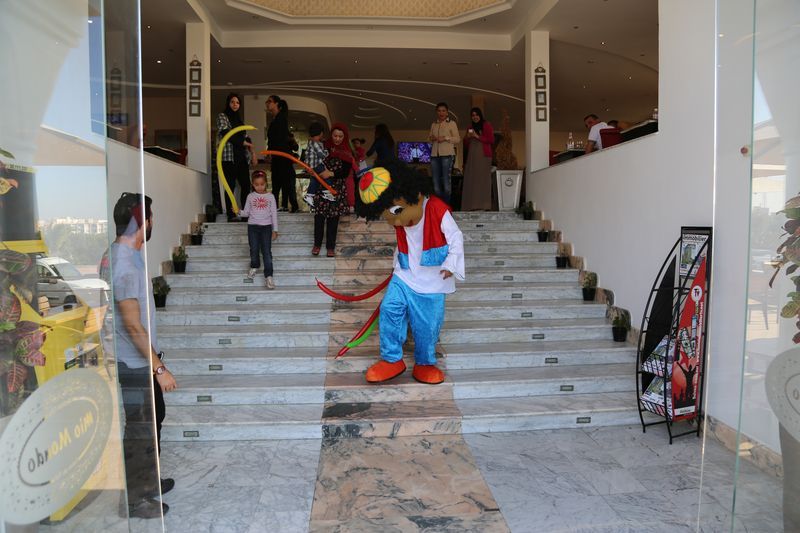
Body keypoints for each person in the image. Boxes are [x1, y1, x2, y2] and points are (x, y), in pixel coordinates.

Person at [355, 161, 465, 385]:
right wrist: (397, 265)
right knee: (390, 309)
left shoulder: (436, 208)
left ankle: (425, 363)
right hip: (405, 275)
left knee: (427, 325)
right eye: (388, 216)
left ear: (415, 194)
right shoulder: (400, 221)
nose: (396, 221)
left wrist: (451, 265)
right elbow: (404, 244)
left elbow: (456, 237)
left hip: (433, 280)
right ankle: (391, 359)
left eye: (397, 212)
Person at [106, 192, 178, 519]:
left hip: (141, 361)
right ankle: (134, 500)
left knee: (153, 420)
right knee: (139, 430)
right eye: (150, 217)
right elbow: (133, 326)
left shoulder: (129, 255)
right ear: (141, 222)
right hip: (133, 364)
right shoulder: (123, 263)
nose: (152, 222)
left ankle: (149, 479)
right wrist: (160, 369)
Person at [312, 123, 353, 257]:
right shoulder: (324, 147)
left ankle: (330, 247)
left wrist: (330, 173)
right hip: (322, 186)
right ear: (331, 135)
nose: (337, 139)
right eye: (335, 136)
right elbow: (315, 162)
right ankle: (317, 245)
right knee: (319, 217)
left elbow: (345, 172)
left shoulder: (347, 152)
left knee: (333, 219)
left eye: (340, 136)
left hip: (337, 189)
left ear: (344, 137)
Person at [239, 170, 279, 289]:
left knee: (266, 251)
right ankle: (254, 265)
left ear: (266, 183)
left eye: (262, 184)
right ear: (253, 184)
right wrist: (238, 212)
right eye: (256, 185)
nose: (259, 187)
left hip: (266, 228)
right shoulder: (250, 196)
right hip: (252, 227)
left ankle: (269, 276)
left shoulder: (270, 197)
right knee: (254, 248)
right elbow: (246, 213)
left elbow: (274, 214)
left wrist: (275, 230)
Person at [216, 94, 253, 221]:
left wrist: (250, 147)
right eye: (232, 102)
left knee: (246, 185)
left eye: (237, 102)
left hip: (241, 158)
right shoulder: (222, 116)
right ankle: (231, 215)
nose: (235, 104)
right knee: (230, 186)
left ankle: (245, 214)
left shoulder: (239, 121)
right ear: (228, 103)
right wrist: (243, 142)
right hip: (228, 158)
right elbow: (226, 133)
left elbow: (246, 136)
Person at [266, 95, 299, 212]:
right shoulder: (275, 120)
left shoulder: (281, 118)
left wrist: (271, 152)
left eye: (270, 101)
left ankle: (291, 206)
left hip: (282, 157)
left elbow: (279, 139)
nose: (267, 103)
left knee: (287, 183)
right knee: (277, 184)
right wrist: (270, 153)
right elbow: (272, 140)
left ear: (277, 104)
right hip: (277, 157)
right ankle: (276, 209)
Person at [461, 107, 494, 211]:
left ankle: (484, 205)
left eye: (476, 115)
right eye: (473, 115)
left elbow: (491, 140)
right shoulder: (470, 127)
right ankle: (471, 205)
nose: (475, 117)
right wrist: (467, 137)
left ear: (480, 115)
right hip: (472, 156)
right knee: (471, 179)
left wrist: (477, 136)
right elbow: (466, 144)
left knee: (482, 180)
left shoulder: (486, 125)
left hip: (483, 156)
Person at [429, 102, 459, 204]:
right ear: (436, 112)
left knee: (446, 182)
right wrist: (431, 138)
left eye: (443, 111)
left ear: (447, 112)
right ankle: (439, 206)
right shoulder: (433, 124)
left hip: (447, 155)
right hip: (434, 155)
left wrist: (445, 138)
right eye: (439, 111)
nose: (441, 113)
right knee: (435, 183)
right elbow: (429, 139)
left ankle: (446, 205)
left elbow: (457, 139)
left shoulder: (452, 123)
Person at [302, 122, 334, 208]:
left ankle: (309, 195)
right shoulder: (315, 143)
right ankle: (327, 191)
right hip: (316, 166)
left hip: (312, 166)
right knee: (326, 176)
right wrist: (328, 152)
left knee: (315, 180)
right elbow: (321, 155)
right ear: (321, 133)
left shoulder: (311, 142)